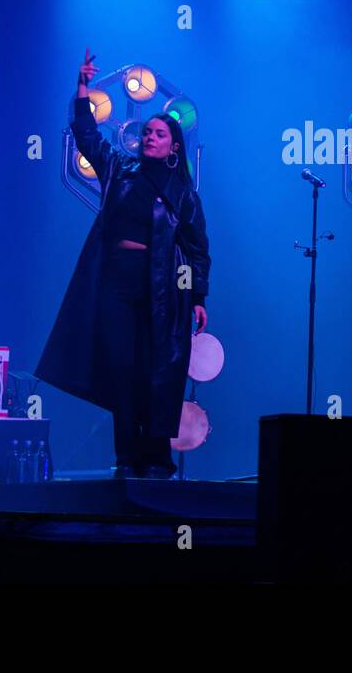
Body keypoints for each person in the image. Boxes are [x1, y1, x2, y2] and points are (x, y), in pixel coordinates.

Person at [36, 50, 211, 479]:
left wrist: (197, 295)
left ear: (173, 148)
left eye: (159, 134)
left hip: (162, 292)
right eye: (147, 132)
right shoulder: (119, 170)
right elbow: (87, 135)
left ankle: (156, 457)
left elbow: (195, 248)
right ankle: (128, 456)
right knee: (121, 371)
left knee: (157, 372)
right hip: (116, 285)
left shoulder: (184, 194)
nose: (150, 137)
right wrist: (81, 90)